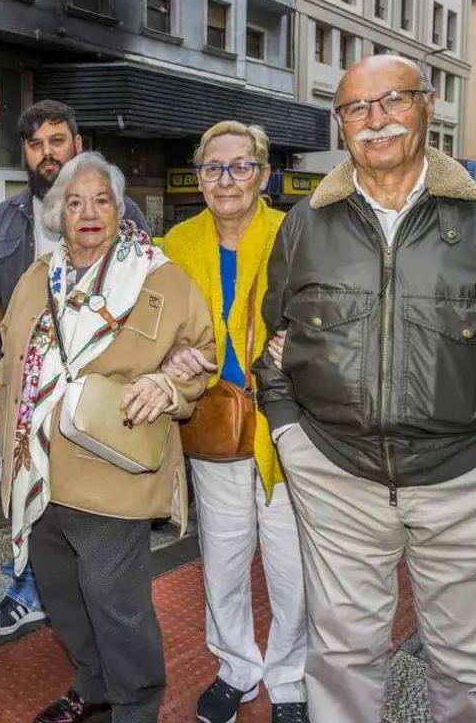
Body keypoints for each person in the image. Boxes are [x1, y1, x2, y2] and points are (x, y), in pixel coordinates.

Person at [254, 55, 476, 722]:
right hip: (337, 477)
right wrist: (288, 432)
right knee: (339, 657)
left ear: (428, 106)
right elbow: (276, 338)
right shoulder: (305, 222)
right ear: (340, 124)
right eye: (356, 109)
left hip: (471, 478)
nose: (376, 120)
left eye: (392, 100)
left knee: (472, 667)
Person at [0, 151, 215, 723]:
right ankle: (94, 684)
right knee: (60, 592)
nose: (87, 212)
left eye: (100, 200)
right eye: (74, 201)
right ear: (58, 212)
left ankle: (135, 706)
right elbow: (15, 352)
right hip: (41, 466)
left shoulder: (160, 277)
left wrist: (168, 385)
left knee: (115, 601)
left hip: (113, 465)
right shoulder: (38, 275)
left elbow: (202, 357)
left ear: (118, 207)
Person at [0, 99, 150, 637]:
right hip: (27, 391)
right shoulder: (3, 220)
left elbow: (147, 300)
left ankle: (92, 610)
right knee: (32, 495)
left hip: (95, 393)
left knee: (90, 509)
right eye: (35, 144)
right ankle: (30, 591)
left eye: (57, 140)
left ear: (78, 143)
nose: (46, 153)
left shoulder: (126, 213)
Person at [161, 122, 307, 723]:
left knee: (291, 561)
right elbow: (157, 323)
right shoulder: (176, 242)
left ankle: (291, 678)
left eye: (240, 166)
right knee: (222, 556)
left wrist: (301, 340)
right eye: (213, 168)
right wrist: (169, 354)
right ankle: (236, 668)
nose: (227, 180)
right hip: (214, 421)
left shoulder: (295, 231)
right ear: (199, 179)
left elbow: (326, 309)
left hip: (286, 420)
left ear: (263, 175)